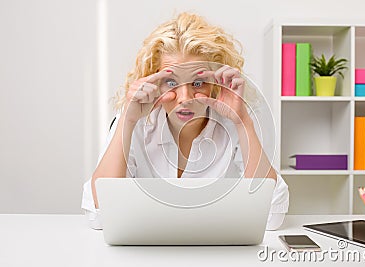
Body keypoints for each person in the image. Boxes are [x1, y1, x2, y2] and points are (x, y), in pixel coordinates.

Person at [81, 12, 289, 230]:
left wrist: (242, 121)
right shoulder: (138, 121)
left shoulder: (233, 122)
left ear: (216, 83)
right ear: (154, 81)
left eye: (198, 83)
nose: (185, 99)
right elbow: (99, 215)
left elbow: (272, 216)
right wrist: (127, 119)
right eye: (170, 82)